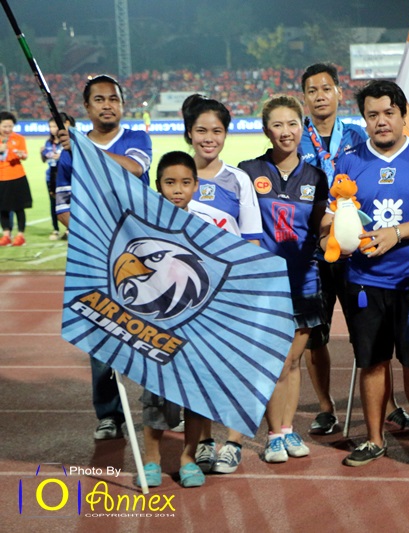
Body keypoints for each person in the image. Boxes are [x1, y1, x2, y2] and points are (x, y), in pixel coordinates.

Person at [319, 80, 409, 468]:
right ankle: (375, 440)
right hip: (364, 281)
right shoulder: (350, 161)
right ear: (364, 119)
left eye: (389, 113)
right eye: (372, 114)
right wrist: (331, 234)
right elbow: (332, 215)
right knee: (372, 362)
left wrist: (396, 234)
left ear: (403, 114)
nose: (381, 121)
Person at [56, 74, 153, 440]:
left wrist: (82, 147)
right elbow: (63, 206)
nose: (108, 105)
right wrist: (91, 237)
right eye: (99, 99)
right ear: (87, 106)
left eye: (114, 98)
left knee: (154, 333)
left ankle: (160, 410)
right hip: (95, 257)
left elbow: (134, 168)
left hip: (140, 254)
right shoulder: (70, 154)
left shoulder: (135, 139)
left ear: (122, 105)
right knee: (101, 338)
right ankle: (109, 414)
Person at [239, 95, 328, 464]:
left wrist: (344, 222)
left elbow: (321, 227)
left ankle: (288, 429)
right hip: (263, 284)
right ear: (266, 130)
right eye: (277, 124)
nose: (286, 131)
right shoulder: (248, 171)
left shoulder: (316, 177)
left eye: (292, 123)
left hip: (304, 280)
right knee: (274, 361)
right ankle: (274, 435)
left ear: (302, 128)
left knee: (293, 361)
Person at [179, 94, 263, 475]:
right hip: (186, 294)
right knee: (194, 371)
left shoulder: (238, 180)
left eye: (216, 131)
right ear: (189, 133)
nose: (208, 138)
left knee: (234, 369)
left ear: (226, 134)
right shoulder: (178, 176)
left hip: (229, 291)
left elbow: (252, 241)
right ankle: (202, 442)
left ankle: (233, 443)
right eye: (201, 131)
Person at [299, 63, 371, 435]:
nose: (320, 96)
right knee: (315, 334)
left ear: (339, 93)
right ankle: (326, 408)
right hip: (313, 254)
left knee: (368, 330)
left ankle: (387, 406)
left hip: (353, 250)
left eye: (326, 88)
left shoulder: (357, 136)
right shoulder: (296, 138)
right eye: (312, 90)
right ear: (304, 98)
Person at [136, 151, 206, 488]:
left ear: (196, 185)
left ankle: (188, 458)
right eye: (170, 182)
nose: (178, 189)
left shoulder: (205, 226)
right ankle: (151, 460)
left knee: (196, 394)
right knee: (155, 394)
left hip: (196, 327)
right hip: (156, 326)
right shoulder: (144, 225)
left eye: (185, 182)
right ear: (158, 185)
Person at [0, 111, 32, 247]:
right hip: (1, 178)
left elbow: (25, 155)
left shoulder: (19, 138)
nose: (8, 129)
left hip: (17, 176)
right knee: (2, 208)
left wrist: (22, 155)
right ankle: (6, 235)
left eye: (10, 126)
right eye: (4, 126)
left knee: (19, 207)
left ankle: (20, 236)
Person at [41, 113, 74, 241]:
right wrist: (42, 154)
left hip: (66, 175)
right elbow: (44, 159)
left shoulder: (67, 142)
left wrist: (61, 157)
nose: (52, 129)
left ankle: (69, 229)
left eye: (54, 126)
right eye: (50, 127)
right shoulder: (48, 142)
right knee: (53, 204)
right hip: (52, 176)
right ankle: (55, 229)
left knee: (70, 204)